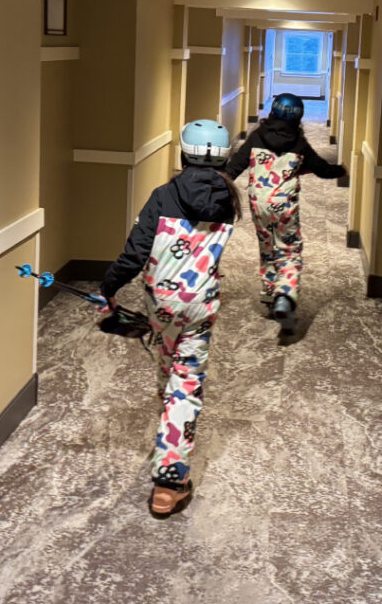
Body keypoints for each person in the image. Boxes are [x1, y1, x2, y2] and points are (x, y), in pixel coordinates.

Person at [100, 119, 242, 516]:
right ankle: (170, 479)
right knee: (187, 383)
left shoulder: (163, 196)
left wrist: (107, 287)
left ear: (182, 153)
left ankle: (168, 432)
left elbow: (135, 253)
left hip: (160, 304)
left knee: (168, 362)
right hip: (200, 304)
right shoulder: (229, 200)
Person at [224, 93, 346, 331]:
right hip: (285, 206)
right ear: (298, 117)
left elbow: (235, 167)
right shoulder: (299, 143)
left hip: (259, 203)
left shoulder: (256, 137)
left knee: (267, 244)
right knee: (289, 249)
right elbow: (321, 168)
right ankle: (285, 295)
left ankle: (270, 293)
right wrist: (339, 170)